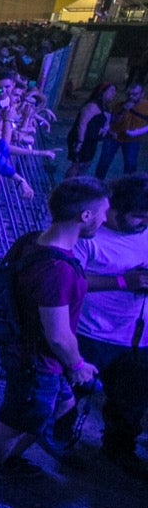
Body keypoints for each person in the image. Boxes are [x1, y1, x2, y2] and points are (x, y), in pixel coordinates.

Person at [0, 178, 109, 491]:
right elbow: (58, 335)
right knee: (9, 427)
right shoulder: (58, 270)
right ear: (85, 216)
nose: (105, 219)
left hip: (27, 353)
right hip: (37, 364)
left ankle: (8, 461)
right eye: (102, 213)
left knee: (62, 405)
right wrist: (77, 365)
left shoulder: (32, 240)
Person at [73, 173, 148, 475]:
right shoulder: (88, 235)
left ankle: (119, 448)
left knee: (130, 402)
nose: (143, 223)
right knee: (71, 395)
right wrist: (122, 281)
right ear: (113, 210)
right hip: (90, 333)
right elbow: (69, 279)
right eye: (137, 217)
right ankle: (58, 439)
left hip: (137, 338)